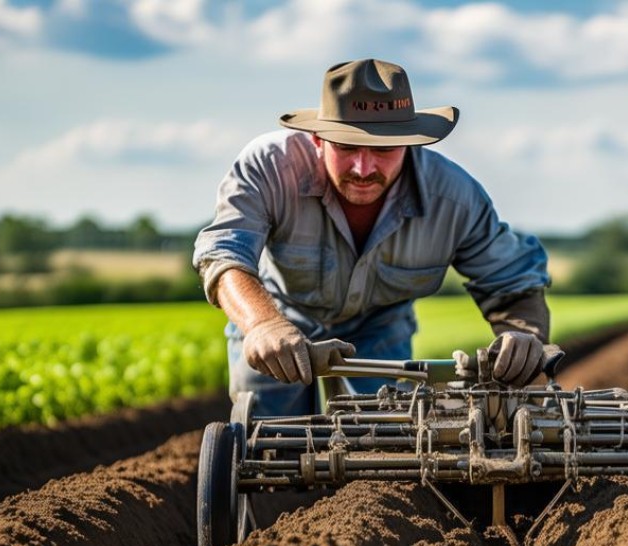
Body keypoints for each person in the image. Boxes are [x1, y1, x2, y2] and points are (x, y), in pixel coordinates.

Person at [192, 58, 553, 416]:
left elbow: (512, 282)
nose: (363, 168)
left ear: (410, 143)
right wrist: (262, 324)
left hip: (379, 330)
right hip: (279, 322)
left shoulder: (455, 198)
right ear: (318, 139)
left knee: (382, 446)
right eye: (346, 147)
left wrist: (525, 338)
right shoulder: (270, 167)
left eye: (383, 149)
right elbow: (225, 254)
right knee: (265, 445)